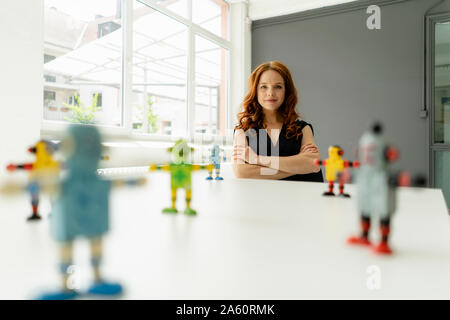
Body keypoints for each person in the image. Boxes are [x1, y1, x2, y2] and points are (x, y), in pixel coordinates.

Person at [232, 61, 323, 182]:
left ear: (286, 91)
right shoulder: (243, 130)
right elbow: (242, 172)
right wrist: (299, 167)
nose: (270, 93)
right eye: (264, 86)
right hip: (264, 199)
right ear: (255, 91)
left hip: (305, 198)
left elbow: (313, 164)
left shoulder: (302, 128)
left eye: (278, 86)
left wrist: (257, 159)